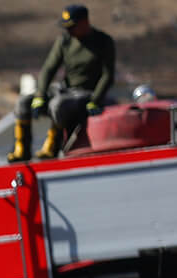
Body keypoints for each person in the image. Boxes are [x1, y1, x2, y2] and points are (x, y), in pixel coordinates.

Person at [9, 4, 115, 162]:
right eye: (67, 27)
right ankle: (21, 150)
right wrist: (40, 95)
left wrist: (95, 100)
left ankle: (51, 147)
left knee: (57, 105)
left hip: (87, 93)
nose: (69, 31)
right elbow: (48, 69)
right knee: (24, 102)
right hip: (65, 89)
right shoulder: (64, 42)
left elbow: (108, 75)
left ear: (85, 22)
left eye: (72, 27)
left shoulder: (103, 41)